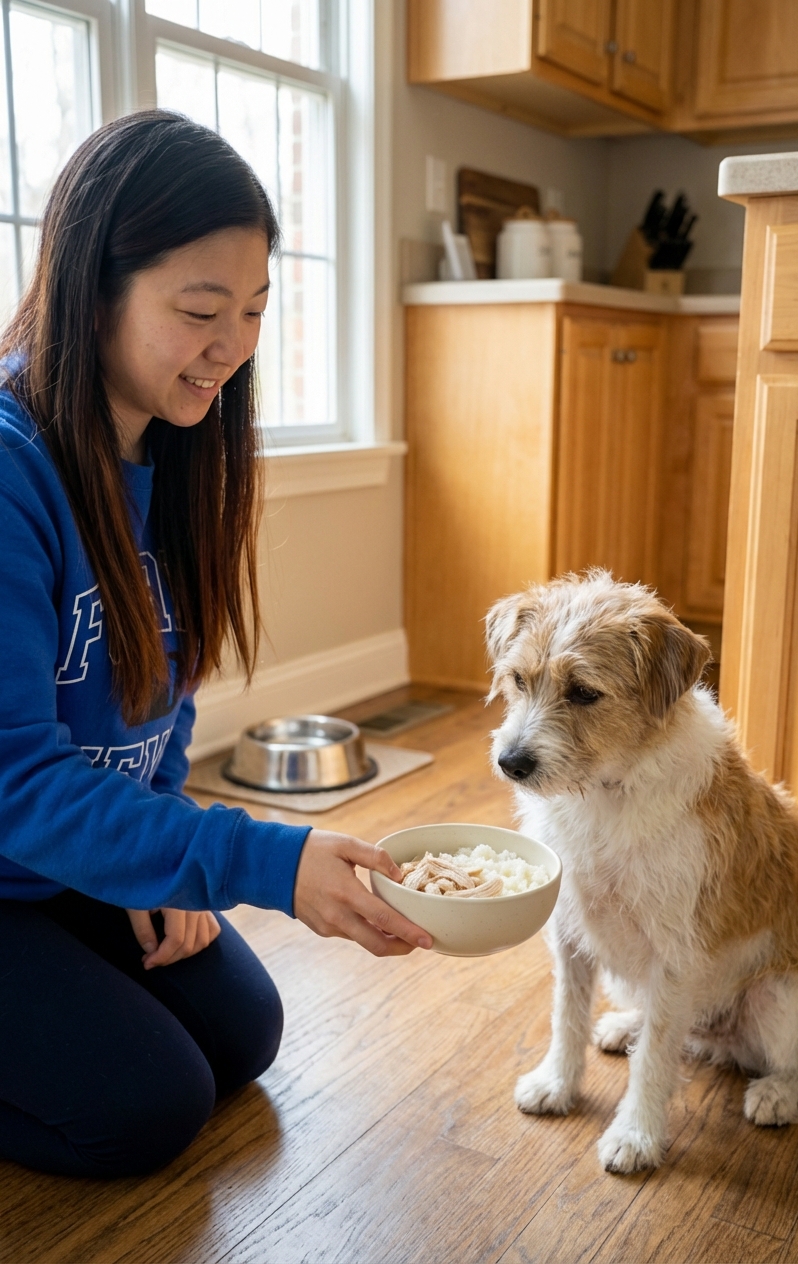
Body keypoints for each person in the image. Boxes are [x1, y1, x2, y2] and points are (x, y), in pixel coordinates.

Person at [0, 110, 431, 1180]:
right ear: (94, 289)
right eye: (200, 311)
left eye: (252, 310)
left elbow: (160, 695)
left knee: (241, 1034)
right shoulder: (12, 475)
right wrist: (263, 861)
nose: (232, 348)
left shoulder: (176, 449)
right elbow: (13, 784)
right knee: (144, 1107)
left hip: (54, 863)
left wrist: (165, 844)